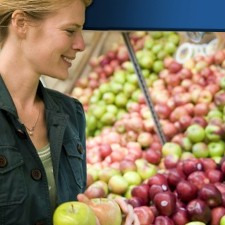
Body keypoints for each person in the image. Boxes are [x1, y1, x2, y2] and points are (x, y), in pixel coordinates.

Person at [0, 0, 140, 225]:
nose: (81, 44)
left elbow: (62, 210)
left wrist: (100, 214)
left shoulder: (70, 114)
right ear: (21, 23)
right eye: (70, 30)